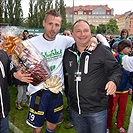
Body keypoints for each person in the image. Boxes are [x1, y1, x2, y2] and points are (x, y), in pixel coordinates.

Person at [63, 19, 122, 133]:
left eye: (86, 30)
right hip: (75, 110)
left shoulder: (102, 50)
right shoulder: (68, 53)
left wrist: (113, 81)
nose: (82, 34)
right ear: (73, 34)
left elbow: (116, 69)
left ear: (91, 33)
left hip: (97, 110)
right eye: (78, 31)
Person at [0, 45, 32, 133]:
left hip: (3, 111)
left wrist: (15, 74)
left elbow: (9, 70)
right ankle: (18, 103)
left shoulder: (3, 53)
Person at [107, 39, 132, 133]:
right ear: (123, 48)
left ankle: (119, 125)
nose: (130, 49)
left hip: (124, 90)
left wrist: (130, 87)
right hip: (114, 89)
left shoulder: (129, 60)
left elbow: (130, 75)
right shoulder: (115, 57)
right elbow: (109, 72)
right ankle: (107, 126)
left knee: (122, 110)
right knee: (111, 109)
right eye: (128, 48)